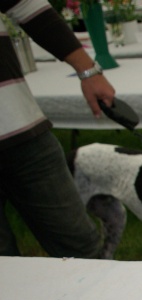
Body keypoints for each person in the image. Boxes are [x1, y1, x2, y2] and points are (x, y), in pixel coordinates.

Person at [1, 0, 116, 258]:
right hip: (21, 127)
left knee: (83, 252)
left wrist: (88, 70)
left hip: (20, 127)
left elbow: (28, 6)